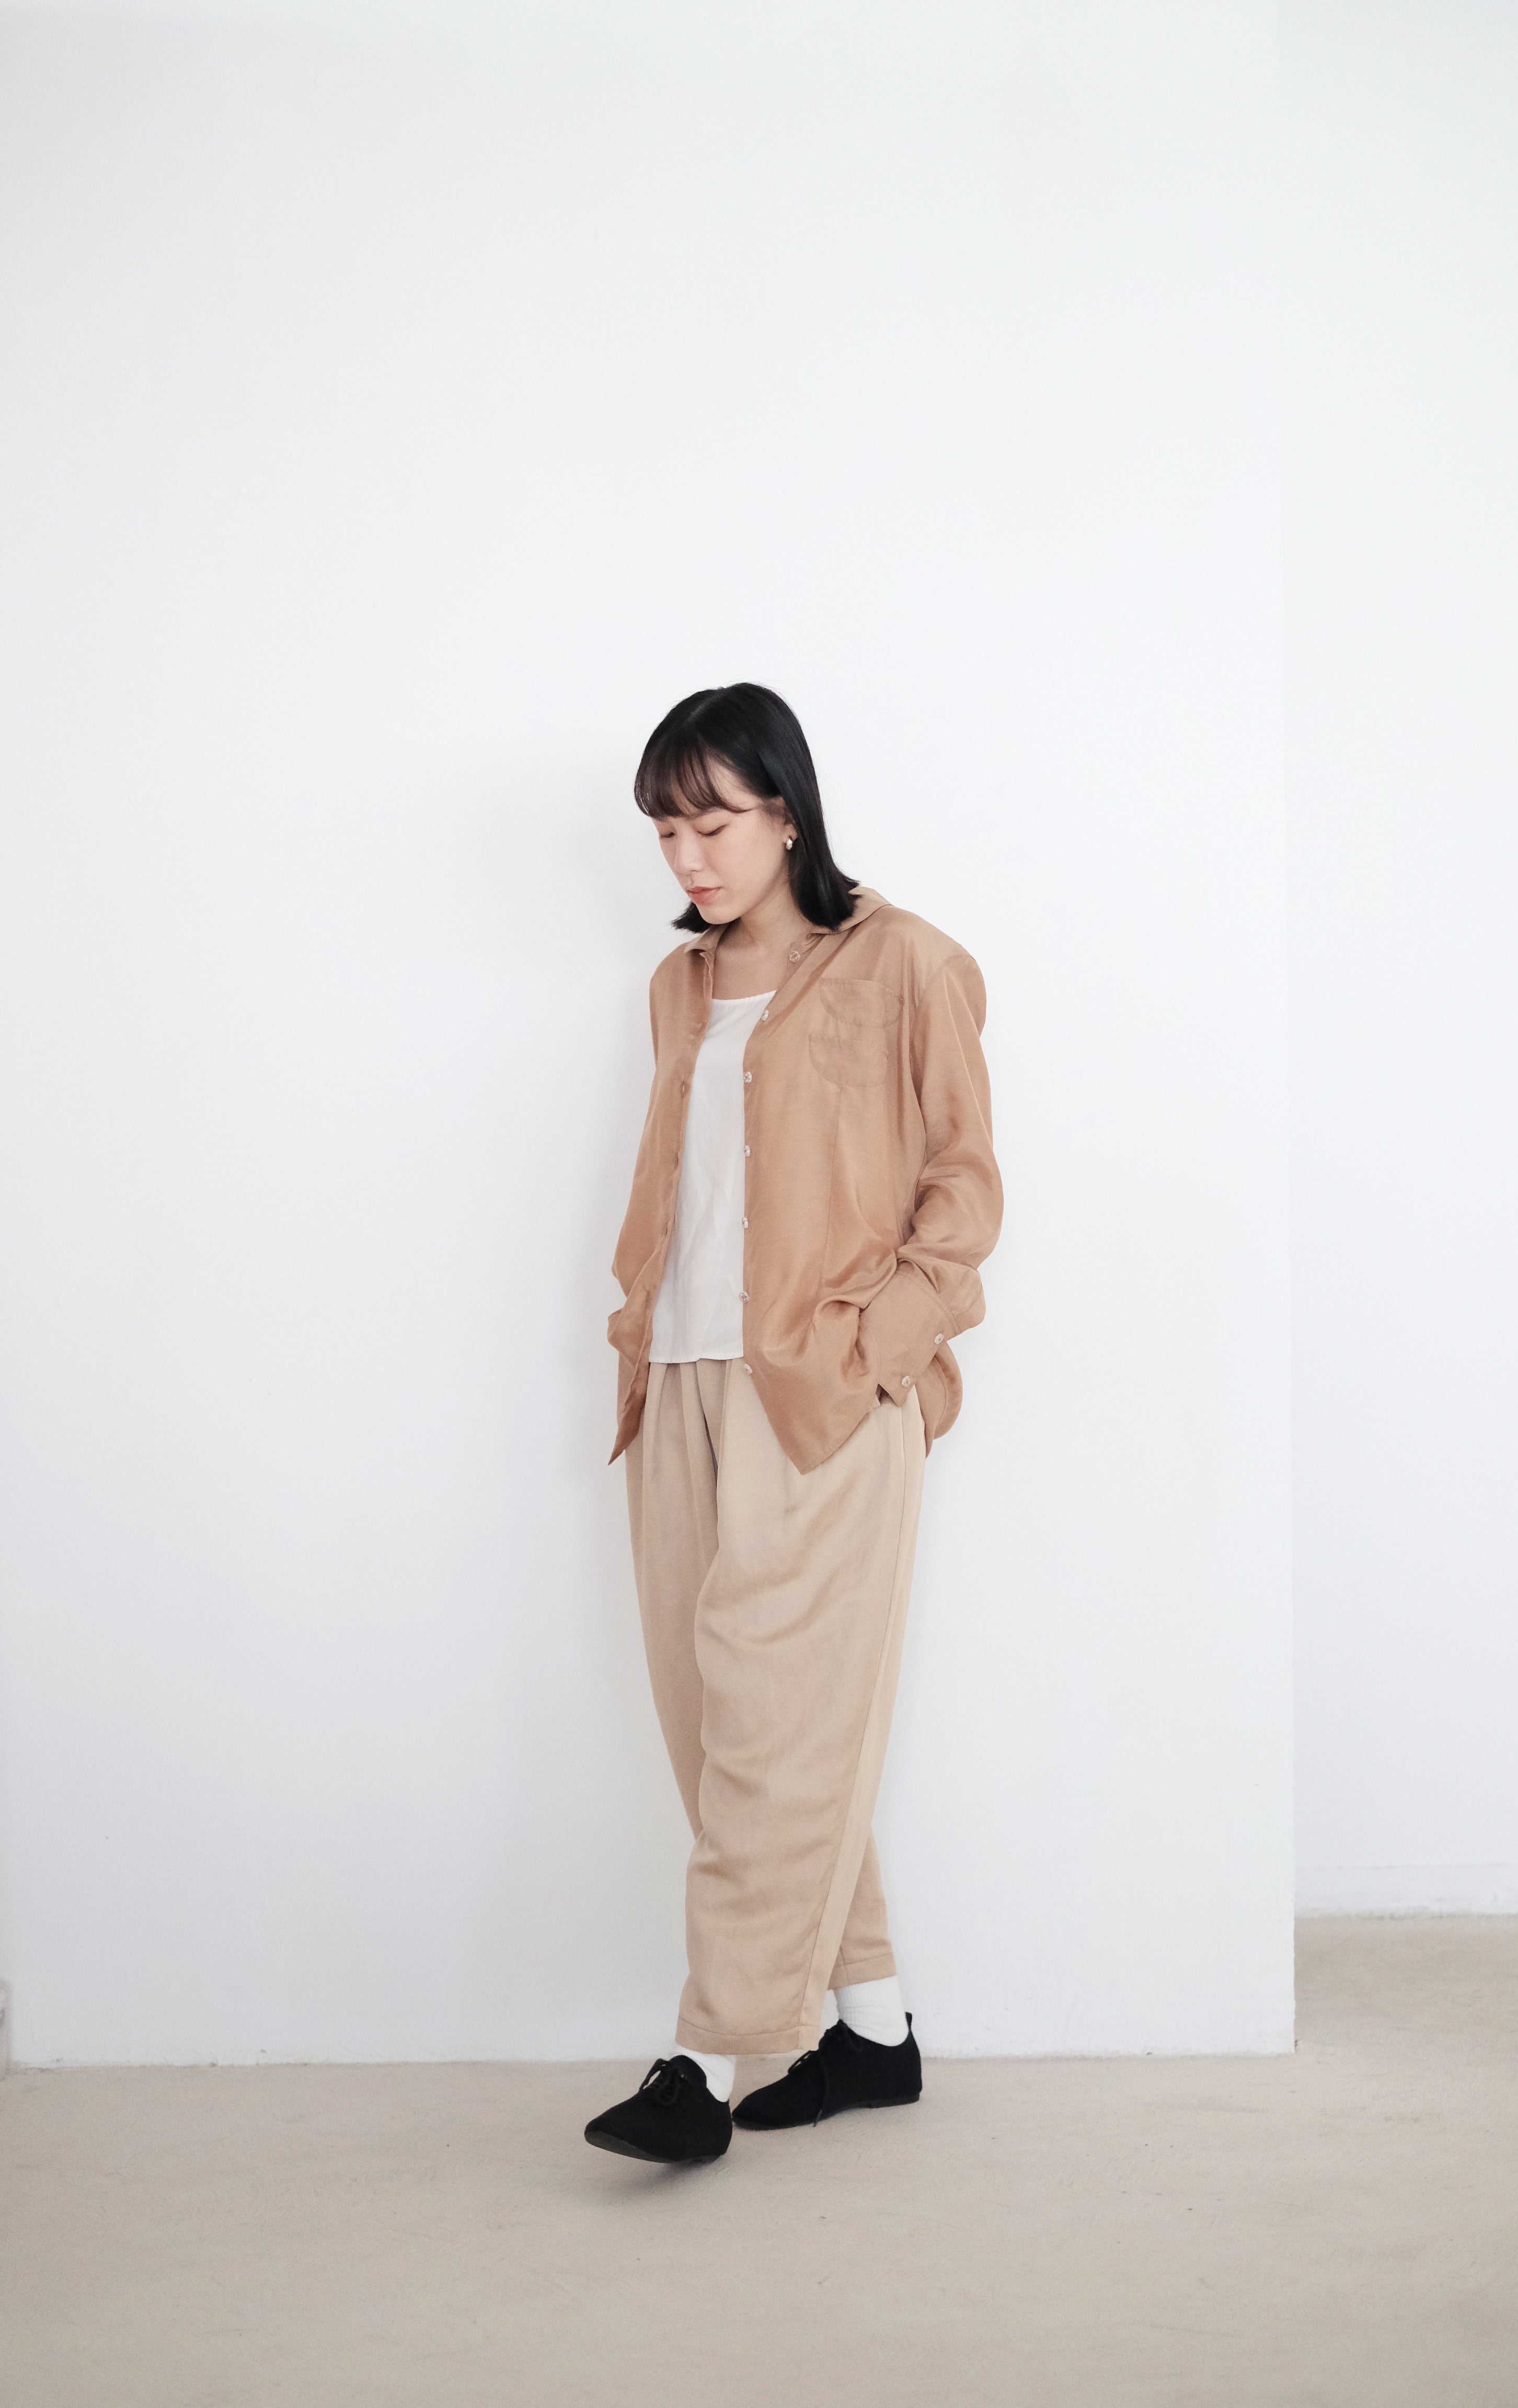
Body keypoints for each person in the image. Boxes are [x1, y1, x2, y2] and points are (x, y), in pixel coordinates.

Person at [584, 684, 1003, 2166]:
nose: (687, 857)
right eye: (666, 831)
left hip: (819, 1396)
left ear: (787, 813)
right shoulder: (678, 987)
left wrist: (880, 1349)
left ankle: (704, 2062)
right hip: (679, 1382)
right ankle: (873, 2030)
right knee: (726, 1730)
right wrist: (637, 1328)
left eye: (712, 823)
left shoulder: (909, 964)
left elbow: (965, 1189)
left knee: (772, 1731)